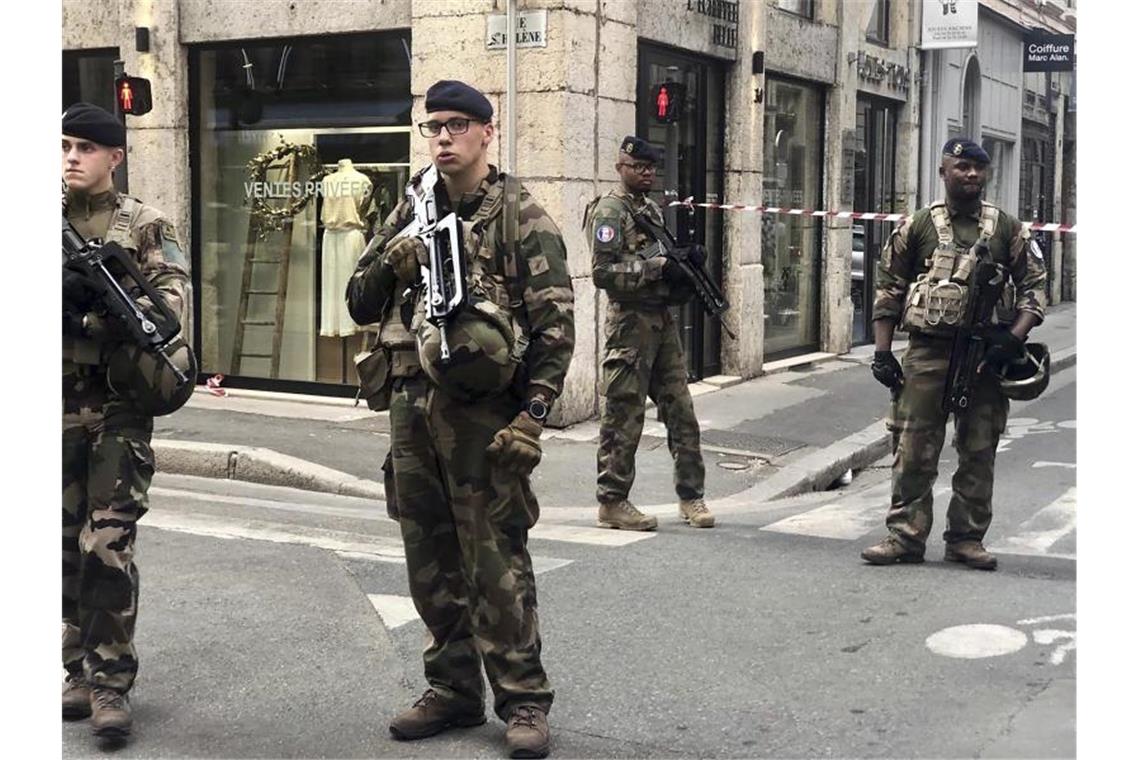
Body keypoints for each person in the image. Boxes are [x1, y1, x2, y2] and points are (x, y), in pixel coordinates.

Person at [346, 80, 574, 759]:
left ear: (485, 132)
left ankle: (524, 698)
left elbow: (556, 328)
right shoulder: (409, 208)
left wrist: (532, 419)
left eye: (456, 125)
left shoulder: (519, 216)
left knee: (495, 560)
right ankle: (450, 689)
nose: (442, 137)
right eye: (432, 126)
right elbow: (360, 302)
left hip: (483, 417)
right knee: (429, 560)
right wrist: (392, 261)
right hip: (411, 408)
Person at [62, 103, 192, 737]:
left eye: (86, 147)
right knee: (61, 549)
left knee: (107, 544)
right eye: (64, 145)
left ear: (115, 156)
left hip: (117, 408)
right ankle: (77, 671)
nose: (71, 157)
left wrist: (94, 314)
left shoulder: (144, 223)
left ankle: (111, 683)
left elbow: (170, 307)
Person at [861, 139, 1046, 570]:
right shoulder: (920, 225)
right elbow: (888, 288)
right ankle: (905, 536)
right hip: (927, 354)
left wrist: (1013, 338)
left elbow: (1035, 287)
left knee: (979, 450)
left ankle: (966, 539)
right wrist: (883, 353)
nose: (972, 175)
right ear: (944, 171)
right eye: (962, 167)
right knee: (913, 447)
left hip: (985, 356)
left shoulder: (1006, 229)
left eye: (979, 169)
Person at [586, 135, 713, 531]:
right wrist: (655, 269)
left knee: (682, 412)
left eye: (651, 168)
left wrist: (683, 266)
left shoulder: (651, 210)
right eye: (639, 167)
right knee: (624, 415)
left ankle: (691, 497)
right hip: (629, 326)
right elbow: (602, 274)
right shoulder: (610, 210)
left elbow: (663, 257)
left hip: (661, 323)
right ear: (620, 166)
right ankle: (612, 501)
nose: (647, 174)